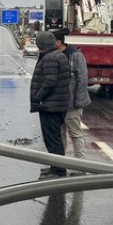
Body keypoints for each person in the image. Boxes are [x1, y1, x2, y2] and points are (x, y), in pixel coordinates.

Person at [30, 31, 71, 177]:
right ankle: (55, 166)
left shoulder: (50, 58)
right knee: (55, 137)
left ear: (41, 44)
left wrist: (38, 97)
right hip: (57, 104)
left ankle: (59, 170)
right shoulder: (58, 55)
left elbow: (50, 81)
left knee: (52, 139)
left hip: (51, 105)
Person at [53, 30, 90, 160]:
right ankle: (60, 164)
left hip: (72, 103)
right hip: (58, 103)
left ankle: (80, 165)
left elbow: (82, 79)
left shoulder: (75, 55)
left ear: (58, 42)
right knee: (59, 134)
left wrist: (78, 101)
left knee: (75, 133)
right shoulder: (53, 55)